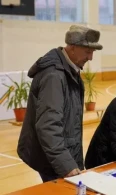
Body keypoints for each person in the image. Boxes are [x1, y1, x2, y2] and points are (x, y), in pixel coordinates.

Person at [17, 25, 102, 182]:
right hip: (52, 159)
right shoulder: (54, 76)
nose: (90, 58)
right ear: (73, 47)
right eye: (88, 52)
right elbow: (48, 126)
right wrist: (67, 165)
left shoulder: (69, 70)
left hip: (61, 154)